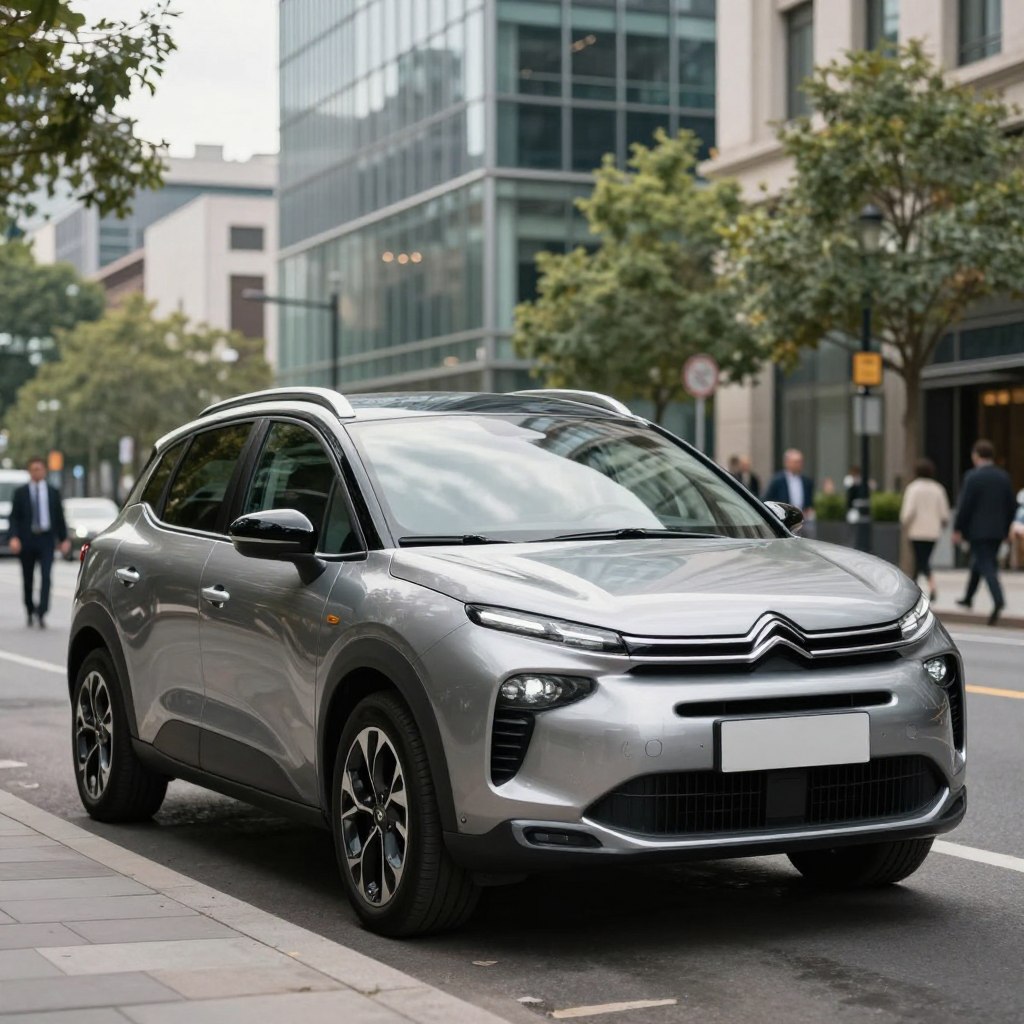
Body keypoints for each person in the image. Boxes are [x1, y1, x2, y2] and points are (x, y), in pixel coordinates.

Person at [953, 440, 1017, 627]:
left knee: (986, 564)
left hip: (978, 531)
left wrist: (958, 528)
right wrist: (1007, 529)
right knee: (979, 563)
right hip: (997, 531)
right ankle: (968, 597)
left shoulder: (972, 477)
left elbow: (965, 506)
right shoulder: (1003, 477)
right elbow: (1010, 505)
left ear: (976, 456)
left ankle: (998, 599)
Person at [8, 457, 70, 628]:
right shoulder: (20, 492)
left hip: (46, 540)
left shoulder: (53, 492)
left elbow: (59, 517)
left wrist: (63, 539)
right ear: (29, 471)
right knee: (28, 579)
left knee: (46, 576)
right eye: (33, 469)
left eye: (39, 469)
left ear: (45, 471)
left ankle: (42, 611)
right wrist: (13, 537)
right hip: (27, 540)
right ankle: (29, 608)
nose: (37, 472)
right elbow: (14, 518)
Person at [899, 458, 950, 602]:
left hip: (916, 531)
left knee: (921, 560)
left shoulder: (913, 488)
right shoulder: (938, 489)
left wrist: (904, 523)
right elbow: (944, 513)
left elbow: (908, 512)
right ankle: (913, 587)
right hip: (933, 531)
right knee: (922, 560)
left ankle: (931, 586)